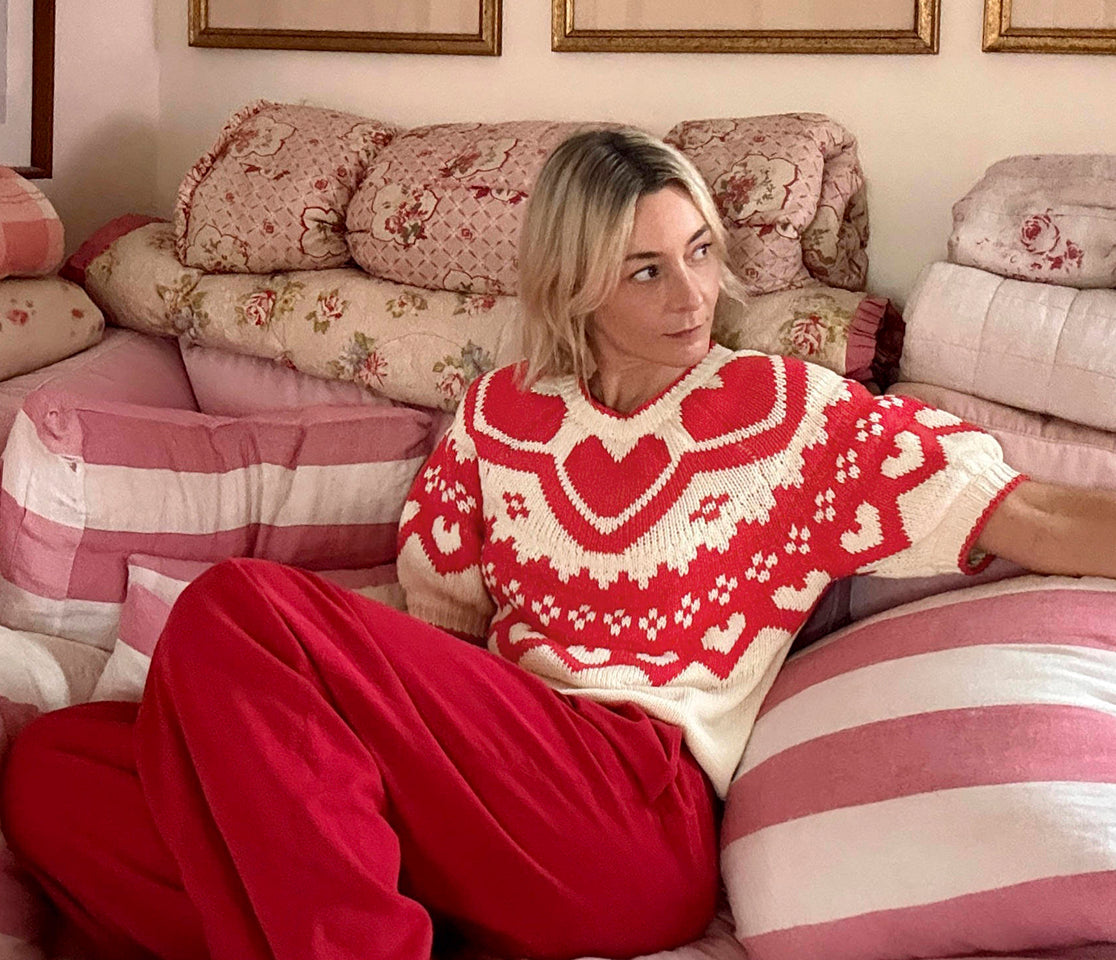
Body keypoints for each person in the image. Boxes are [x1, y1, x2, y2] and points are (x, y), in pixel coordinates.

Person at [2, 127, 1115, 960]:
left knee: (241, 609)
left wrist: (253, 662)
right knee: (57, 773)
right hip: (491, 808)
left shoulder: (790, 410)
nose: (691, 295)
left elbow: (1042, 514)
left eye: (701, 254)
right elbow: (431, 652)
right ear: (570, 281)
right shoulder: (494, 419)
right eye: (645, 269)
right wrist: (229, 718)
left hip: (635, 811)